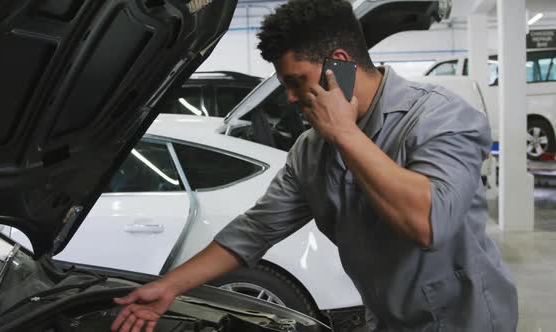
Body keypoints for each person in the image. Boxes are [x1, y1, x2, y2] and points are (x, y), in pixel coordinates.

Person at [111, 1, 518, 331]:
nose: (289, 98)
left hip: (466, 320)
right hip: (387, 318)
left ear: (338, 62)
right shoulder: (311, 151)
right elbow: (254, 231)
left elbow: (429, 224)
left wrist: (346, 134)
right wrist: (168, 288)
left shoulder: (440, 117)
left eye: (294, 81)